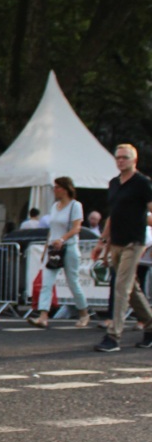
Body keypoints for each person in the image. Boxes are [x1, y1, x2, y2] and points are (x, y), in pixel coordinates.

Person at [93, 144, 152, 352]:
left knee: (121, 287)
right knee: (132, 289)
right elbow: (113, 215)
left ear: (134, 160)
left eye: (125, 157)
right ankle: (150, 325)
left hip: (133, 243)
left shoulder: (143, 183)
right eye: (118, 157)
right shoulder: (114, 184)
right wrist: (102, 243)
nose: (120, 161)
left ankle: (113, 336)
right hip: (116, 242)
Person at [29, 177, 91, 329]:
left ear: (65, 189)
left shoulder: (75, 206)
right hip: (54, 248)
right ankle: (43, 315)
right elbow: (52, 230)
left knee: (73, 282)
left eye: (57, 187)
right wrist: (46, 248)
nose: (54, 190)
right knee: (46, 282)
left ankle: (84, 313)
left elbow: (77, 228)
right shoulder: (55, 206)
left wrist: (62, 239)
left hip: (69, 247)